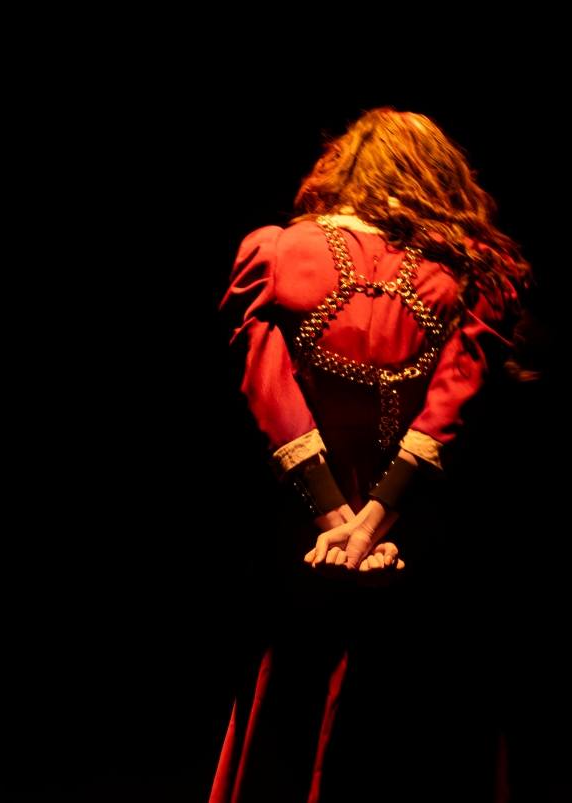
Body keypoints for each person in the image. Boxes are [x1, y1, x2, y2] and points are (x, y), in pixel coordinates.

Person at [210, 108, 532, 803]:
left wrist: (335, 521)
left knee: (292, 704)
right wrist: (377, 519)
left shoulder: (277, 251)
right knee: (426, 726)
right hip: (418, 530)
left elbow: (266, 388)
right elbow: (454, 399)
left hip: (305, 533)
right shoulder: (468, 270)